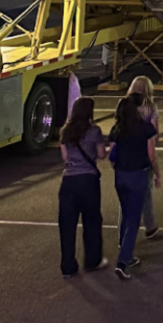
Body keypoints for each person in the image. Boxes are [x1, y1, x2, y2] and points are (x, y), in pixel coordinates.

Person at [109, 93, 160, 279]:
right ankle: (123, 261)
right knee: (133, 218)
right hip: (138, 175)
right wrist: (158, 174)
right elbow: (152, 154)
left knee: (125, 211)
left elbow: (112, 155)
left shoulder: (117, 129)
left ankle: (125, 249)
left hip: (120, 175)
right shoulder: (145, 128)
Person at [58, 96, 108, 278]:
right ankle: (93, 260)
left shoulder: (65, 131)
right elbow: (101, 154)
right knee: (92, 220)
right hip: (88, 180)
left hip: (68, 181)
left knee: (67, 224)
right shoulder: (94, 131)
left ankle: (68, 265)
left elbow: (65, 157)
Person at [126, 75, 161, 242]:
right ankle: (150, 225)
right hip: (144, 154)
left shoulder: (124, 107)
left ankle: (124, 231)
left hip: (127, 154)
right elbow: (155, 132)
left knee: (126, 194)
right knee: (146, 192)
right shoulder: (151, 108)